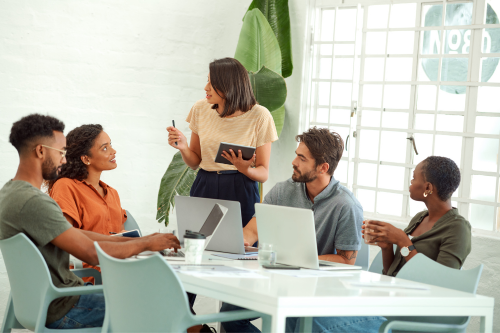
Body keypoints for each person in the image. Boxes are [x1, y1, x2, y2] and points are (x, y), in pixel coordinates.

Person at [0, 114, 180, 329]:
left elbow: (78, 235)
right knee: (168, 303)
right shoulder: (34, 201)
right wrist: (146, 244)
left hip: (45, 303)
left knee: (160, 300)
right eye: (60, 153)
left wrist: (147, 240)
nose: (65, 160)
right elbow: (91, 254)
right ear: (41, 151)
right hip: (66, 305)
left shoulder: (10, 193)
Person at [221, 127, 385, 333]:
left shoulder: (347, 205)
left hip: (319, 288)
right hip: (277, 279)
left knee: (298, 325)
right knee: (230, 314)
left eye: (302, 158)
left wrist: (294, 260)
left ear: (323, 167)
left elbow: (346, 260)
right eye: (296, 155)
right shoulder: (283, 190)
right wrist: (240, 241)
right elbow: (253, 230)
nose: (294, 162)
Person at [167, 57, 278, 229]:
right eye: (207, 81)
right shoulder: (200, 108)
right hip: (205, 183)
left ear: (229, 85)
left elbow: (263, 173)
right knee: (198, 241)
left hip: (241, 186)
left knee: (242, 246)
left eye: (212, 83)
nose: (206, 88)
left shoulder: (260, 116)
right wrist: (183, 147)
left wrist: (245, 169)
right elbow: (195, 162)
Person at [363, 156, 471, 276]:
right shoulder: (420, 218)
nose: (411, 182)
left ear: (428, 188)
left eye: (414, 178)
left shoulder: (458, 228)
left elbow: (441, 280)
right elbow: (392, 274)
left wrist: (402, 240)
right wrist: (387, 248)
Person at [48, 124, 125, 283]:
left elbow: (121, 236)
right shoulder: (66, 186)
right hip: (87, 278)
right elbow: (64, 240)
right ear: (86, 159)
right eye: (105, 148)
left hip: (120, 272)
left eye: (111, 145)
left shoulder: (113, 194)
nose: (113, 151)